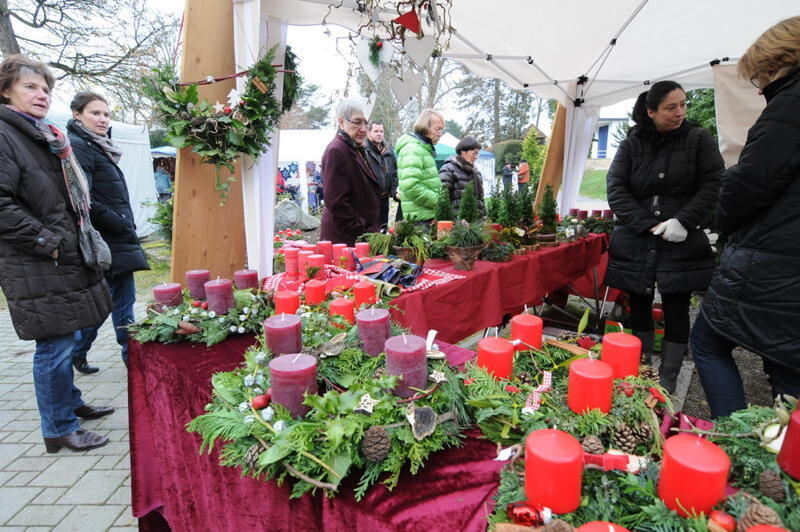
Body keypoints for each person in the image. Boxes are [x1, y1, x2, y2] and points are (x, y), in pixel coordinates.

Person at [0, 55, 114, 452]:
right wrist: (46, 241)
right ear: (6, 90)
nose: (42, 94)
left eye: (46, 88)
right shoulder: (4, 134)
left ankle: (70, 405)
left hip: (63, 253)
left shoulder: (42, 135)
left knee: (67, 337)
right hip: (37, 259)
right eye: (31, 86)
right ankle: (58, 428)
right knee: (54, 344)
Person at [691, 16, 800, 418]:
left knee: (707, 342)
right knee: (786, 368)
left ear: (778, 61)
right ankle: (778, 458)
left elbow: (746, 184)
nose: (760, 88)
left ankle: (738, 439)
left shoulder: (790, 104)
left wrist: (713, 217)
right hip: (783, 267)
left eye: (760, 78)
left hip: (774, 265)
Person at [605, 80, 723, 394]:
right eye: (671, 107)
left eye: (683, 104)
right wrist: (646, 223)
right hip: (637, 238)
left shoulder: (699, 139)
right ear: (651, 111)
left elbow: (713, 184)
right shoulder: (632, 143)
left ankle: (669, 377)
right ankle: (640, 366)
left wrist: (684, 220)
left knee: (677, 304)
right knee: (639, 301)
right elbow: (616, 188)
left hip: (680, 238)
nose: (680, 112)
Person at [68, 91, 150, 373]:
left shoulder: (97, 145)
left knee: (110, 302)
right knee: (121, 304)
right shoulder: (79, 146)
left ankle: (77, 352)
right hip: (108, 238)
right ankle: (135, 361)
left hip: (116, 237)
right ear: (77, 114)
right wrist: (121, 223)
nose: (103, 119)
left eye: (106, 114)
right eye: (95, 113)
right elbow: (84, 199)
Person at [319, 97, 381, 246]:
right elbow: (337, 203)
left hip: (356, 237)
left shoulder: (353, 148)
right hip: (345, 241)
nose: (363, 129)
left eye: (365, 123)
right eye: (357, 122)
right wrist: (363, 231)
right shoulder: (337, 150)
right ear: (341, 122)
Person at [396, 109, 444, 225]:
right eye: (437, 129)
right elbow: (411, 186)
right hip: (420, 220)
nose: (440, 133)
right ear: (425, 127)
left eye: (441, 129)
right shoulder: (413, 149)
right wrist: (438, 200)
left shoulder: (424, 148)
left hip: (426, 215)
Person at [439, 135, 485, 216]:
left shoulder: (476, 172)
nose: (476, 157)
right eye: (474, 153)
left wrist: (484, 217)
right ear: (463, 151)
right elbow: (443, 199)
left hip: (477, 222)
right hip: (458, 222)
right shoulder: (448, 169)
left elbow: (481, 200)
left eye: (478, 154)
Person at [365, 121, 398, 227]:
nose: (379, 134)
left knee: (383, 228)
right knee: (371, 229)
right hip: (369, 199)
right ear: (369, 132)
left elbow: (394, 174)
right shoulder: (364, 150)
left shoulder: (389, 151)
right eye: (376, 131)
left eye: (381, 131)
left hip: (385, 198)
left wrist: (394, 192)